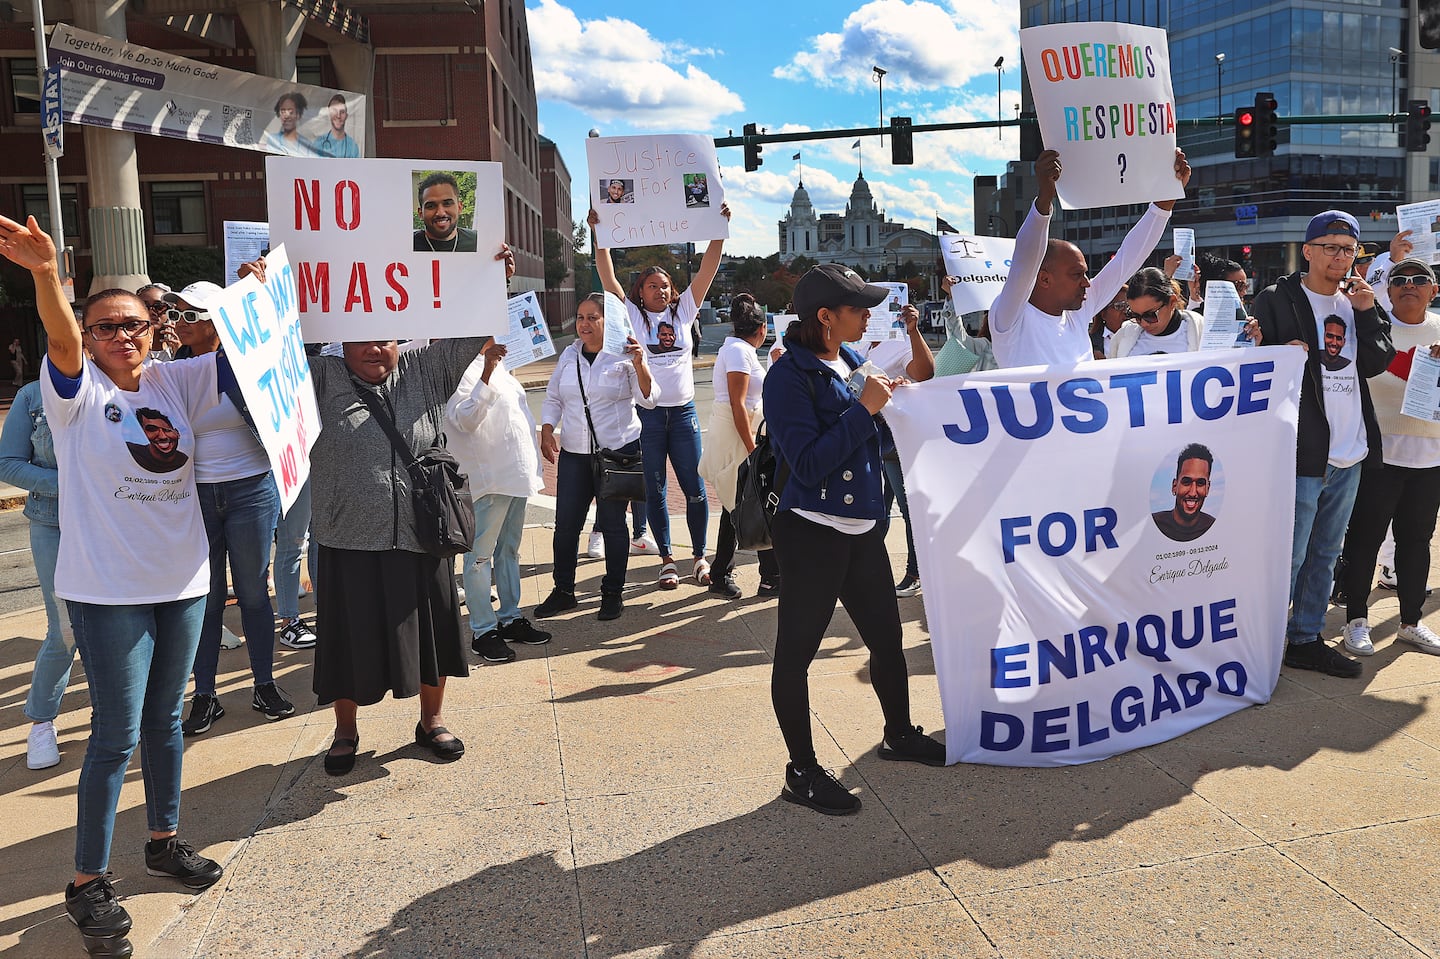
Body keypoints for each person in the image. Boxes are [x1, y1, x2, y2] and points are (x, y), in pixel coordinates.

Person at [0, 213, 228, 952]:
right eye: (104, 327)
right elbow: (61, 340)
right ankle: (87, 883)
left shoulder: (175, 382)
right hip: (107, 593)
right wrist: (44, 277)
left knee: (166, 721)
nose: (118, 336)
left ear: (153, 329)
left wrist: (253, 297)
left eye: (131, 324)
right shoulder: (70, 395)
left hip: (184, 583)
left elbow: (243, 359)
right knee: (113, 736)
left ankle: (162, 839)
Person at [302, 243, 515, 777]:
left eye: (388, 338)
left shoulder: (426, 371)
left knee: (436, 635)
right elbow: (253, 374)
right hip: (347, 537)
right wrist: (257, 298)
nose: (377, 348)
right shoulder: (319, 378)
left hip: (423, 534)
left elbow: (472, 330)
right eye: (364, 339)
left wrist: (494, 280)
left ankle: (432, 720)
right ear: (340, 342)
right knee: (347, 644)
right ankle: (345, 729)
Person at [762, 264, 945, 816]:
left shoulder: (849, 360)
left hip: (862, 529)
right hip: (812, 533)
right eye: (858, 308)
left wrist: (892, 400)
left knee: (887, 641)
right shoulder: (787, 376)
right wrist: (865, 409)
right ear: (825, 317)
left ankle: (898, 733)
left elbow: (913, 382)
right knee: (796, 655)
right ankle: (802, 770)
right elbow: (808, 463)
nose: (869, 315)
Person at [1252, 210, 1395, 678]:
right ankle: (1263, 640)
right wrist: (1268, 351)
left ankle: (1306, 638)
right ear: (1308, 250)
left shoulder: (1358, 302)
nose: (1340, 255)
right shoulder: (1278, 298)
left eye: (1349, 248)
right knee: (1288, 554)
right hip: (1301, 450)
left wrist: (1368, 313)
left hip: (1351, 449)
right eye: (1330, 246)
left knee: (1325, 554)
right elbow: (1249, 360)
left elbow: (1375, 363)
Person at [162, 281, 292, 737]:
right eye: (177, 313)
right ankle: (205, 695)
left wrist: (256, 287)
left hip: (252, 488)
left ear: (220, 322)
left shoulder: (246, 363)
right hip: (195, 494)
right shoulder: (167, 372)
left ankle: (264, 684)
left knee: (254, 592)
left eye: (191, 314)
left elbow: (286, 343)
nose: (180, 322)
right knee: (208, 596)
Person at [594, 203, 731, 589]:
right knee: (653, 488)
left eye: (666, 286)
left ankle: (700, 557)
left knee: (695, 488)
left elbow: (707, 269)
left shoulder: (684, 311)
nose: (661, 290)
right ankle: (667, 559)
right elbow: (608, 280)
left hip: (684, 416)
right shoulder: (633, 317)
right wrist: (600, 237)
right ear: (641, 291)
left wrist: (718, 228)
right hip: (649, 417)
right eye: (653, 286)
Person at [989, 148, 1191, 368]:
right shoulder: (1010, 318)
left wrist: (1164, 205)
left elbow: (1127, 259)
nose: (1087, 282)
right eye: (1077, 275)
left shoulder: (1078, 312)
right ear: (1044, 279)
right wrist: (1045, 198)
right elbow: (1025, 259)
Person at [1337, 257, 1440, 658]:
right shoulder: (1370, 325)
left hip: (1429, 456)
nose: (1409, 284)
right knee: (1365, 541)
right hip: (1378, 454)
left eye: (1420, 279)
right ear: (1388, 288)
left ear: (1434, 290)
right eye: (1400, 279)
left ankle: (1411, 622)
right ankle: (1357, 620)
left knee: (1416, 542)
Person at [535, 293, 658, 622]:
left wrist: (640, 364)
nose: (584, 324)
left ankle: (612, 594)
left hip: (617, 453)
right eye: (580, 317)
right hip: (574, 454)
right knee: (565, 528)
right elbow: (553, 397)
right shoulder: (569, 356)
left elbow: (649, 400)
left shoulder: (623, 356)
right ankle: (563, 591)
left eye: (593, 317)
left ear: (609, 322)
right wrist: (547, 429)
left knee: (615, 527)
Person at [445, 337, 552, 661]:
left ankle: (510, 617)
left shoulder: (502, 364)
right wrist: (488, 369)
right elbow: (464, 418)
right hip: (489, 480)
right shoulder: (456, 367)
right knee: (479, 558)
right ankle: (483, 629)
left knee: (509, 551)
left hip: (515, 477)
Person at [0, 379, 70, 769]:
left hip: (118, 522)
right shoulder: (32, 396)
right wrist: (69, 484)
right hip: (53, 523)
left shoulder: (122, 387)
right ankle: (42, 722)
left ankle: (120, 717)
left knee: (122, 624)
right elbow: (7, 461)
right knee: (64, 629)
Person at [697, 293, 780, 599]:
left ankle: (728, 573)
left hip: (738, 433)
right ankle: (767, 576)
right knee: (750, 501)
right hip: (736, 435)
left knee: (740, 503)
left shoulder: (738, 349)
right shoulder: (739, 352)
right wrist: (752, 448)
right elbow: (737, 403)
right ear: (760, 330)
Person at [854, 300, 935, 598]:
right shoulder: (861, 342)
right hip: (867, 435)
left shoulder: (900, 341)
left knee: (907, 506)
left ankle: (916, 572)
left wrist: (914, 331)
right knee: (875, 508)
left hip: (895, 436)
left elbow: (925, 372)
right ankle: (867, 570)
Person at [1109, 268, 1204, 358]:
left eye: (1150, 315)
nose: (1144, 323)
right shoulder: (1123, 337)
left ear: (1172, 302)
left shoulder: (1200, 333)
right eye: (1135, 316)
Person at [1151, 443, 1218, 542]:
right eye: (1186, 482)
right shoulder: (1154, 524)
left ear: (1207, 488)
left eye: (1200, 483)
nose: (1192, 492)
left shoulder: (1214, 528)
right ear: (1174, 486)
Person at [412, 172, 479, 252]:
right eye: (431, 206)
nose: (440, 213)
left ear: (459, 207)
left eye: (447, 204)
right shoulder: (405, 245)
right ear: (420, 213)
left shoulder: (480, 242)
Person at [126, 408, 189, 472]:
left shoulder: (184, 460)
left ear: (177, 433)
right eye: (152, 429)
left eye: (167, 430)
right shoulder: (131, 451)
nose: (163, 436)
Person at [263, 92, 315, 156]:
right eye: (283, 111)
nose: (286, 116)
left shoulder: (307, 144)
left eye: (291, 112)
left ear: (298, 115)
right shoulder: (273, 140)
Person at [313, 93, 360, 158]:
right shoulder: (319, 143)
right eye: (334, 111)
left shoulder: (352, 146)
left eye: (342, 112)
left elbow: (357, 167)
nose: (338, 116)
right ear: (329, 114)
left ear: (346, 116)